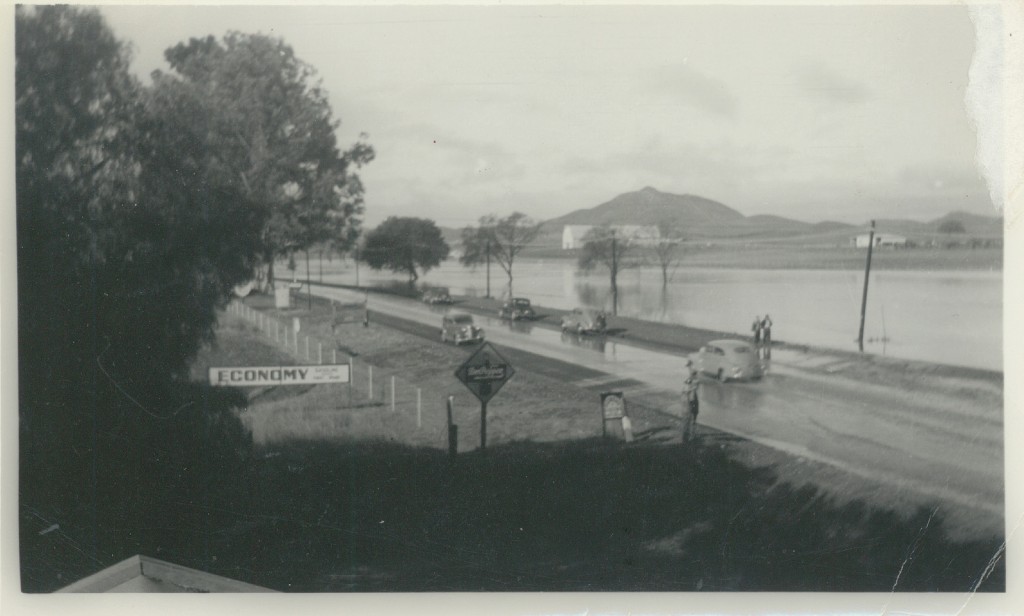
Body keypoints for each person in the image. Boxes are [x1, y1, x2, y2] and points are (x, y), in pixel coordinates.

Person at [682, 358, 700, 443]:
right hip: (690, 399)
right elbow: (689, 387)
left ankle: (688, 435)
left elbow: (695, 384)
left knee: (690, 418)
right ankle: (689, 436)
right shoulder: (690, 378)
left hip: (690, 399)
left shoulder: (692, 378)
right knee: (690, 418)